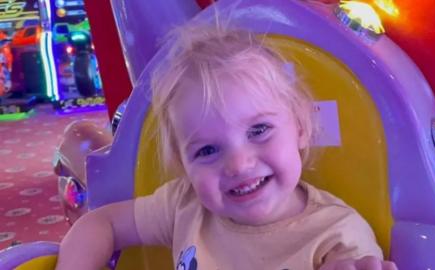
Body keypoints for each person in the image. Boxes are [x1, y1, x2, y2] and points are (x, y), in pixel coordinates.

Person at [56, 21, 397, 270]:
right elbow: (101, 224)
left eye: (259, 130)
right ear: (183, 162)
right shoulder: (183, 204)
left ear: (301, 128)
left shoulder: (338, 237)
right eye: (206, 151)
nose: (238, 164)